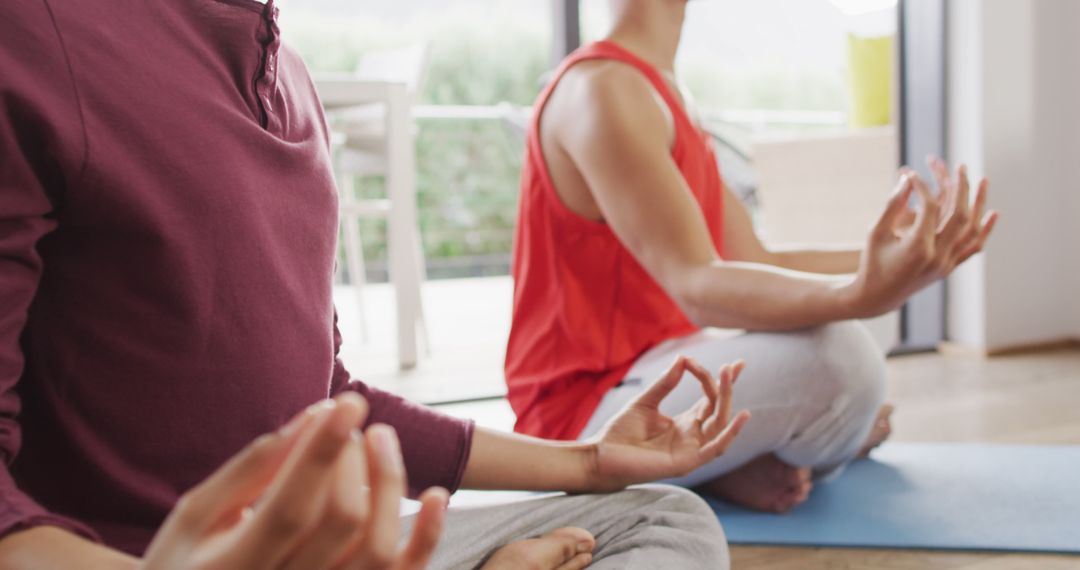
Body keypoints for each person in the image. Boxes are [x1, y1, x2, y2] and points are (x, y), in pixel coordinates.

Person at [0, 0, 751, 568]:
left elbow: (324, 398)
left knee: (662, 520)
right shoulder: (33, 36)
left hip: (311, 543)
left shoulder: (286, 71)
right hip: (136, 555)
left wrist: (587, 462)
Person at [505, 0, 998, 513]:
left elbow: (758, 258)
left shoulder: (662, 95)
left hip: (658, 370)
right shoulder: (604, 88)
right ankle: (757, 454)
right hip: (576, 423)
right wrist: (857, 294)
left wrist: (899, 260)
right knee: (839, 358)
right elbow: (697, 285)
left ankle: (720, 463)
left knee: (839, 330)